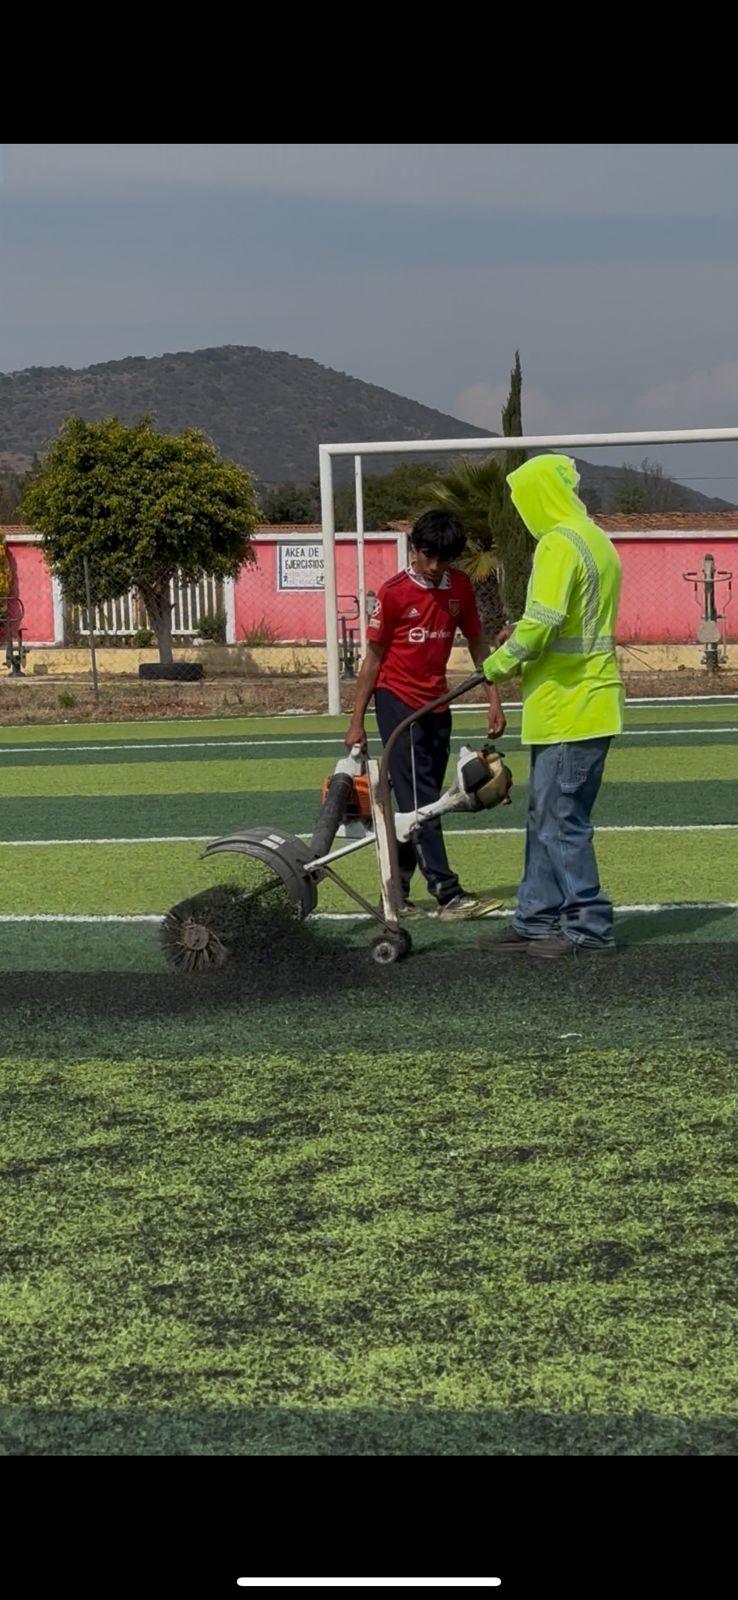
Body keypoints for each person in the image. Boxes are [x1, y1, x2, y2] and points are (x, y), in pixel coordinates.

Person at [481, 454, 623, 958]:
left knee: (561, 820)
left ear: (538, 498)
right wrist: (519, 636)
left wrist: (495, 665)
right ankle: (535, 919)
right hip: (581, 703)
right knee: (547, 816)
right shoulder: (596, 540)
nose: (520, 513)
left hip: (570, 706)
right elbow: (565, 620)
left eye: (521, 502)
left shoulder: (558, 543)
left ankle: (589, 928)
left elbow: (543, 624)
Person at [344, 509, 507, 920]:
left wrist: (494, 699)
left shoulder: (460, 587)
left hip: (437, 703)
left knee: (420, 799)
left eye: (444, 558)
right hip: (397, 702)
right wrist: (356, 721)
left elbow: (478, 644)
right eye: (428, 555)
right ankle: (447, 894)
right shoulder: (393, 593)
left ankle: (396, 893)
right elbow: (372, 660)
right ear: (414, 548)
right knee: (422, 799)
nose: (435, 566)